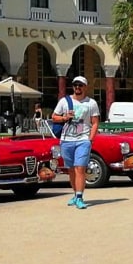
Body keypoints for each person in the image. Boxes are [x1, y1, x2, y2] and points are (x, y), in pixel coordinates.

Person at [52, 76, 100, 210]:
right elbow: (54, 117)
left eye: (80, 85)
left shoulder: (91, 103)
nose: (77, 88)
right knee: (71, 170)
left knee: (80, 168)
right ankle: (75, 194)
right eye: (75, 85)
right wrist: (64, 117)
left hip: (83, 139)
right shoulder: (64, 101)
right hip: (66, 140)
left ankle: (79, 197)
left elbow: (95, 122)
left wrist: (90, 139)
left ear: (85, 87)